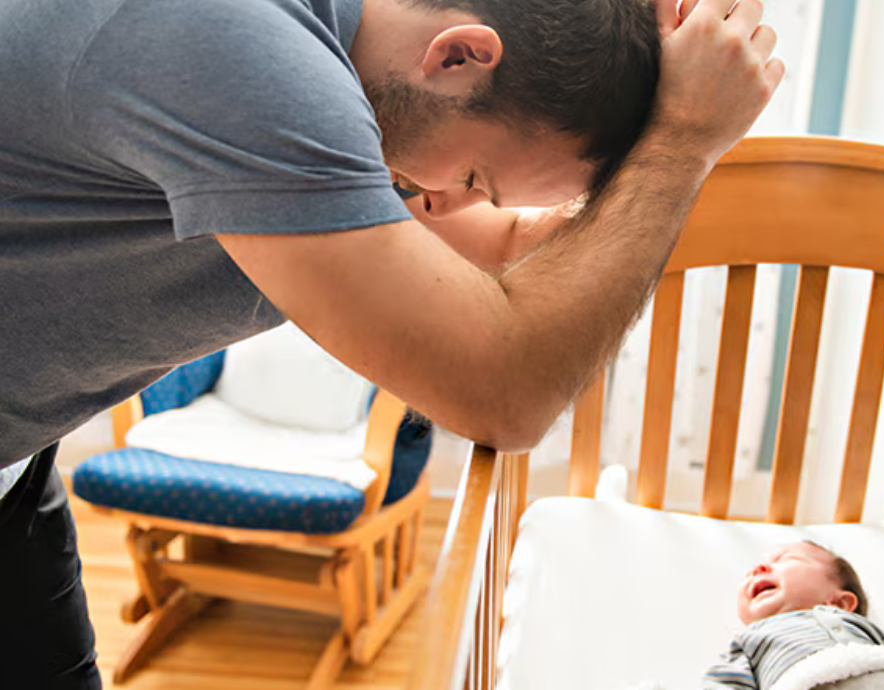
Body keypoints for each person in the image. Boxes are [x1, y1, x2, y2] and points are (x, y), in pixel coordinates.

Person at [0, 0, 785, 685]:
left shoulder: (338, 75)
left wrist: (663, 120)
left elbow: (508, 237)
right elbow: (504, 395)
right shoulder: (233, 49)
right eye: (476, 174)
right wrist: (681, 142)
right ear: (459, 54)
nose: (446, 203)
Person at [704, 542, 884, 690]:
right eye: (751, 572)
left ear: (840, 602)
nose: (759, 569)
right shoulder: (750, 640)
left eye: (786, 559)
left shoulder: (863, 630)